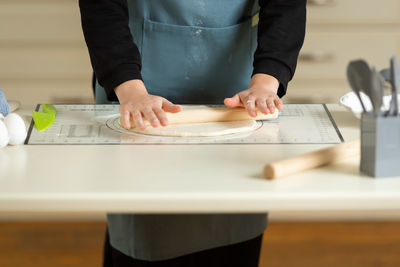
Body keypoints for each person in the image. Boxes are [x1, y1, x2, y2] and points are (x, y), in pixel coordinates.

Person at [79, 0, 306, 266]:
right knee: (147, 231)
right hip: (137, 89)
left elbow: (285, 5)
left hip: (238, 97)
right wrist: (131, 91)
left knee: (233, 229)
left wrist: (266, 81)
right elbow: (100, 7)